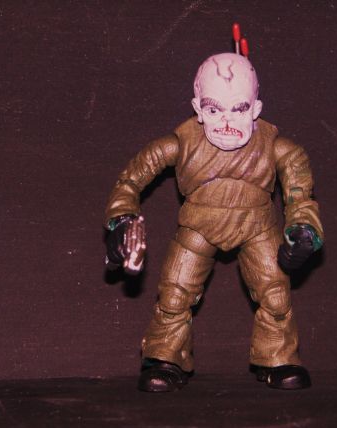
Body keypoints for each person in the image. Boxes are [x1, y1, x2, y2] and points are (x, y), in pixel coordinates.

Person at [104, 52, 323, 392]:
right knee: (175, 294)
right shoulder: (180, 143)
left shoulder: (280, 149)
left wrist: (303, 231)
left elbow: (300, 196)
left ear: (256, 108)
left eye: (238, 109)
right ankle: (165, 358)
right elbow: (130, 180)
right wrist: (121, 219)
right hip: (198, 226)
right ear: (197, 108)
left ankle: (278, 357)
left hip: (258, 226)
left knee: (275, 295)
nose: (226, 121)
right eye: (214, 109)